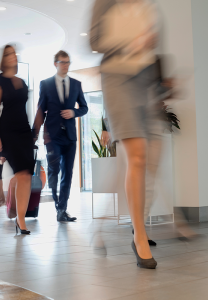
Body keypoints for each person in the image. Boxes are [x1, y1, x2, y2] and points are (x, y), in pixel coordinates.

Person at [90, 0, 162, 268]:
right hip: (117, 77)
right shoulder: (104, 2)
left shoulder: (150, 5)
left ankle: (122, 231)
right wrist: (131, 41)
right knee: (137, 155)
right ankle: (139, 235)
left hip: (143, 81)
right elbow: (95, 40)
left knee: (140, 161)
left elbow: (155, 44)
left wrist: (149, 41)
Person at [33, 50, 88, 222]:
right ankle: (58, 205)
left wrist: (74, 112)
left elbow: (84, 107)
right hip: (52, 136)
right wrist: (33, 135)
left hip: (70, 137)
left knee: (68, 173)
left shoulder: (76, 84)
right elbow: (41, 109)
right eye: (62, 62)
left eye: (68, 62)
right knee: (54, 171)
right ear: (55, 64)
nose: (65, 65)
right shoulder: (46, 84)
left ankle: (62, 209)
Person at [0, 45, 34, 234]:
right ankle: (18, 217)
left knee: (26, 175)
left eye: (14, 54)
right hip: (8, 131)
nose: (12, 56)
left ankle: (21, 219)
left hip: (24, 130)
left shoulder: (22, 82)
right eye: (8, 54)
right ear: (3, 58)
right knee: (20, 172)